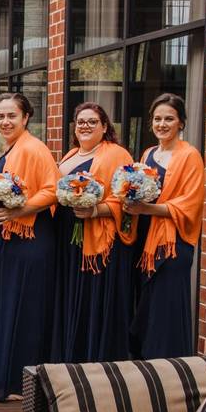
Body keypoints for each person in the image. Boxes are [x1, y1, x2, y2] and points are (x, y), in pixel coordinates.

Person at [0, 93, 59, 402]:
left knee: (25, 309)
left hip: (31, 241)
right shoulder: (12, 148)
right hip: (11, 240)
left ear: (26, 117)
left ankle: (19, 383)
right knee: (9, 306)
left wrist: (20, 210)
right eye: (1, 116)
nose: (5, 121)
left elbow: (52, 190)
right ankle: (7, 377)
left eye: (11, 115)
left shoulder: (34, 149)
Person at [51, 102, 135, 363]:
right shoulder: (70, 155)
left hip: (101, 245)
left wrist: (96, 210)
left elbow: (128, 200)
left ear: (105, 126)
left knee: (94, 300)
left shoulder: (117, 155)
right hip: (69, 239)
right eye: (80, 122)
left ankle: (97, 360)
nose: (85, 126)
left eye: (92, 121)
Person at [125, 93, 205, 359]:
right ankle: (147, 371)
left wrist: (147, 208)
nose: (162, 124)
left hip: (172, 246)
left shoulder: (190, 156)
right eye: (157, 119)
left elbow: (190, 204)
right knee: (147, 309)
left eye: (169, 119)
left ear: (181, 122)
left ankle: (171, 373)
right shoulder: (148, 154)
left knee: (167, 311)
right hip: (145, 241)